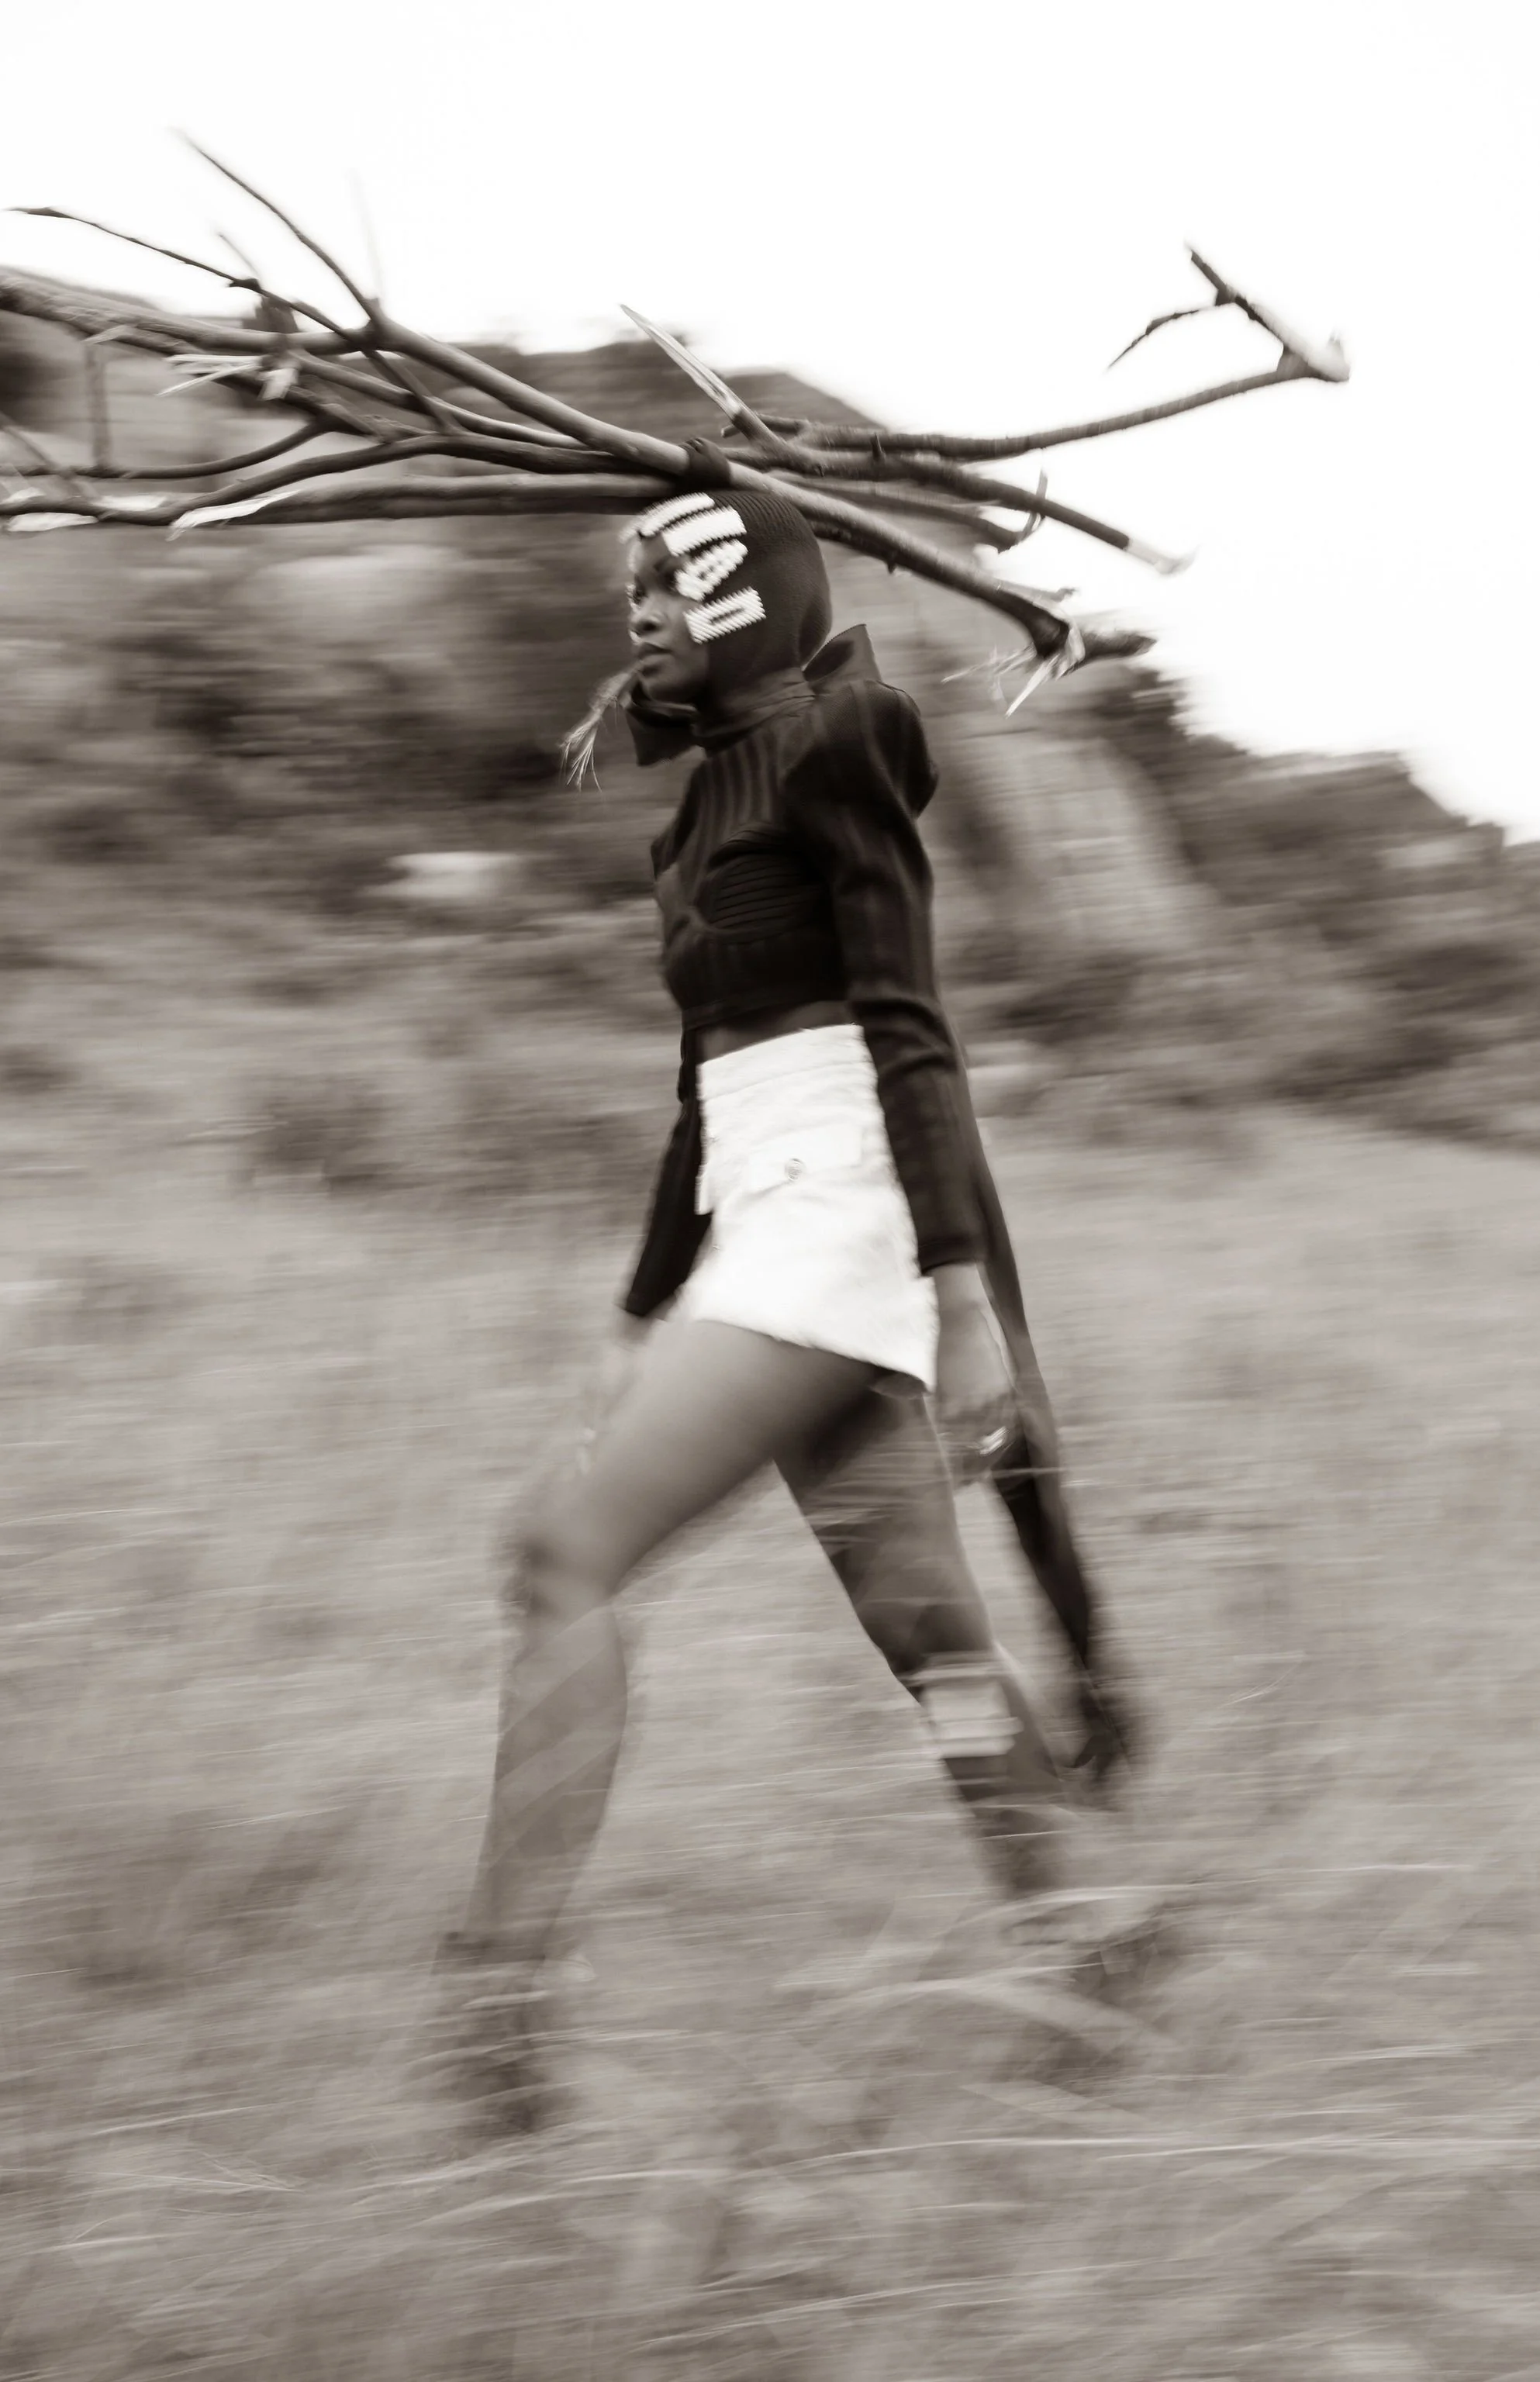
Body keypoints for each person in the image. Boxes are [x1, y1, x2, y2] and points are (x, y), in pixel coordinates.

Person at [440, 461, 1139, 2126]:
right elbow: (704, 1093)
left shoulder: (847, 740)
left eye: (669, 588)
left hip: (843, 1219)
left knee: (562, 1556)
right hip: (765, 1211)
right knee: (929, 1636)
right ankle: (1097, 1936)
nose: (639, 617)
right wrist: (637, 1311)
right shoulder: (695, 812)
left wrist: (959, 1297)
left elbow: (909, 1029)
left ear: (749, 594)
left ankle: (497, 2006)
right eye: (629, 593)